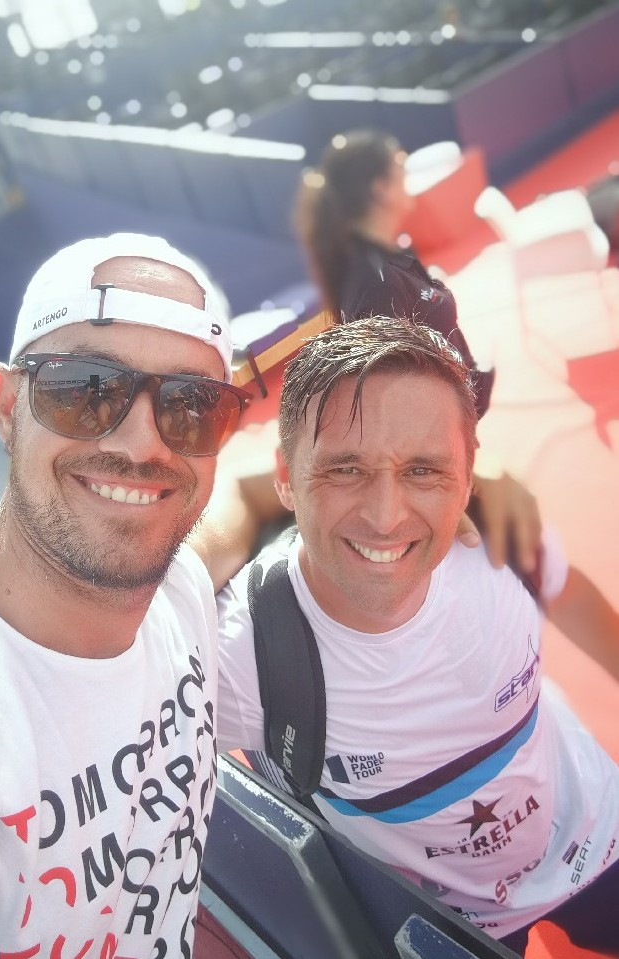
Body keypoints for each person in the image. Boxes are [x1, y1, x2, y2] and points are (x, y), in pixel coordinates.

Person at [0, 233, 253, 958]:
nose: (142, 444)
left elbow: (241, 511)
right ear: (8, 406)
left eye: (192, 405)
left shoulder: (178, 590)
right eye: (85, 389)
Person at [216, 316, 619, 955]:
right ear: (285, 478)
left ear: (470, 473)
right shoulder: (241, 650)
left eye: (424, 470)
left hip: (593, 830)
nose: (386, 517)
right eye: (344, 469)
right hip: (445, 926)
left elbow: (569, 595)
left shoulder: (501, 536)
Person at [294, 129, 541, 575]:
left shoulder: (387, 260)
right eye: (402, 171)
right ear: (380, 189)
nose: (410, 180)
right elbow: (393, 411)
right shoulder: (377, 284)